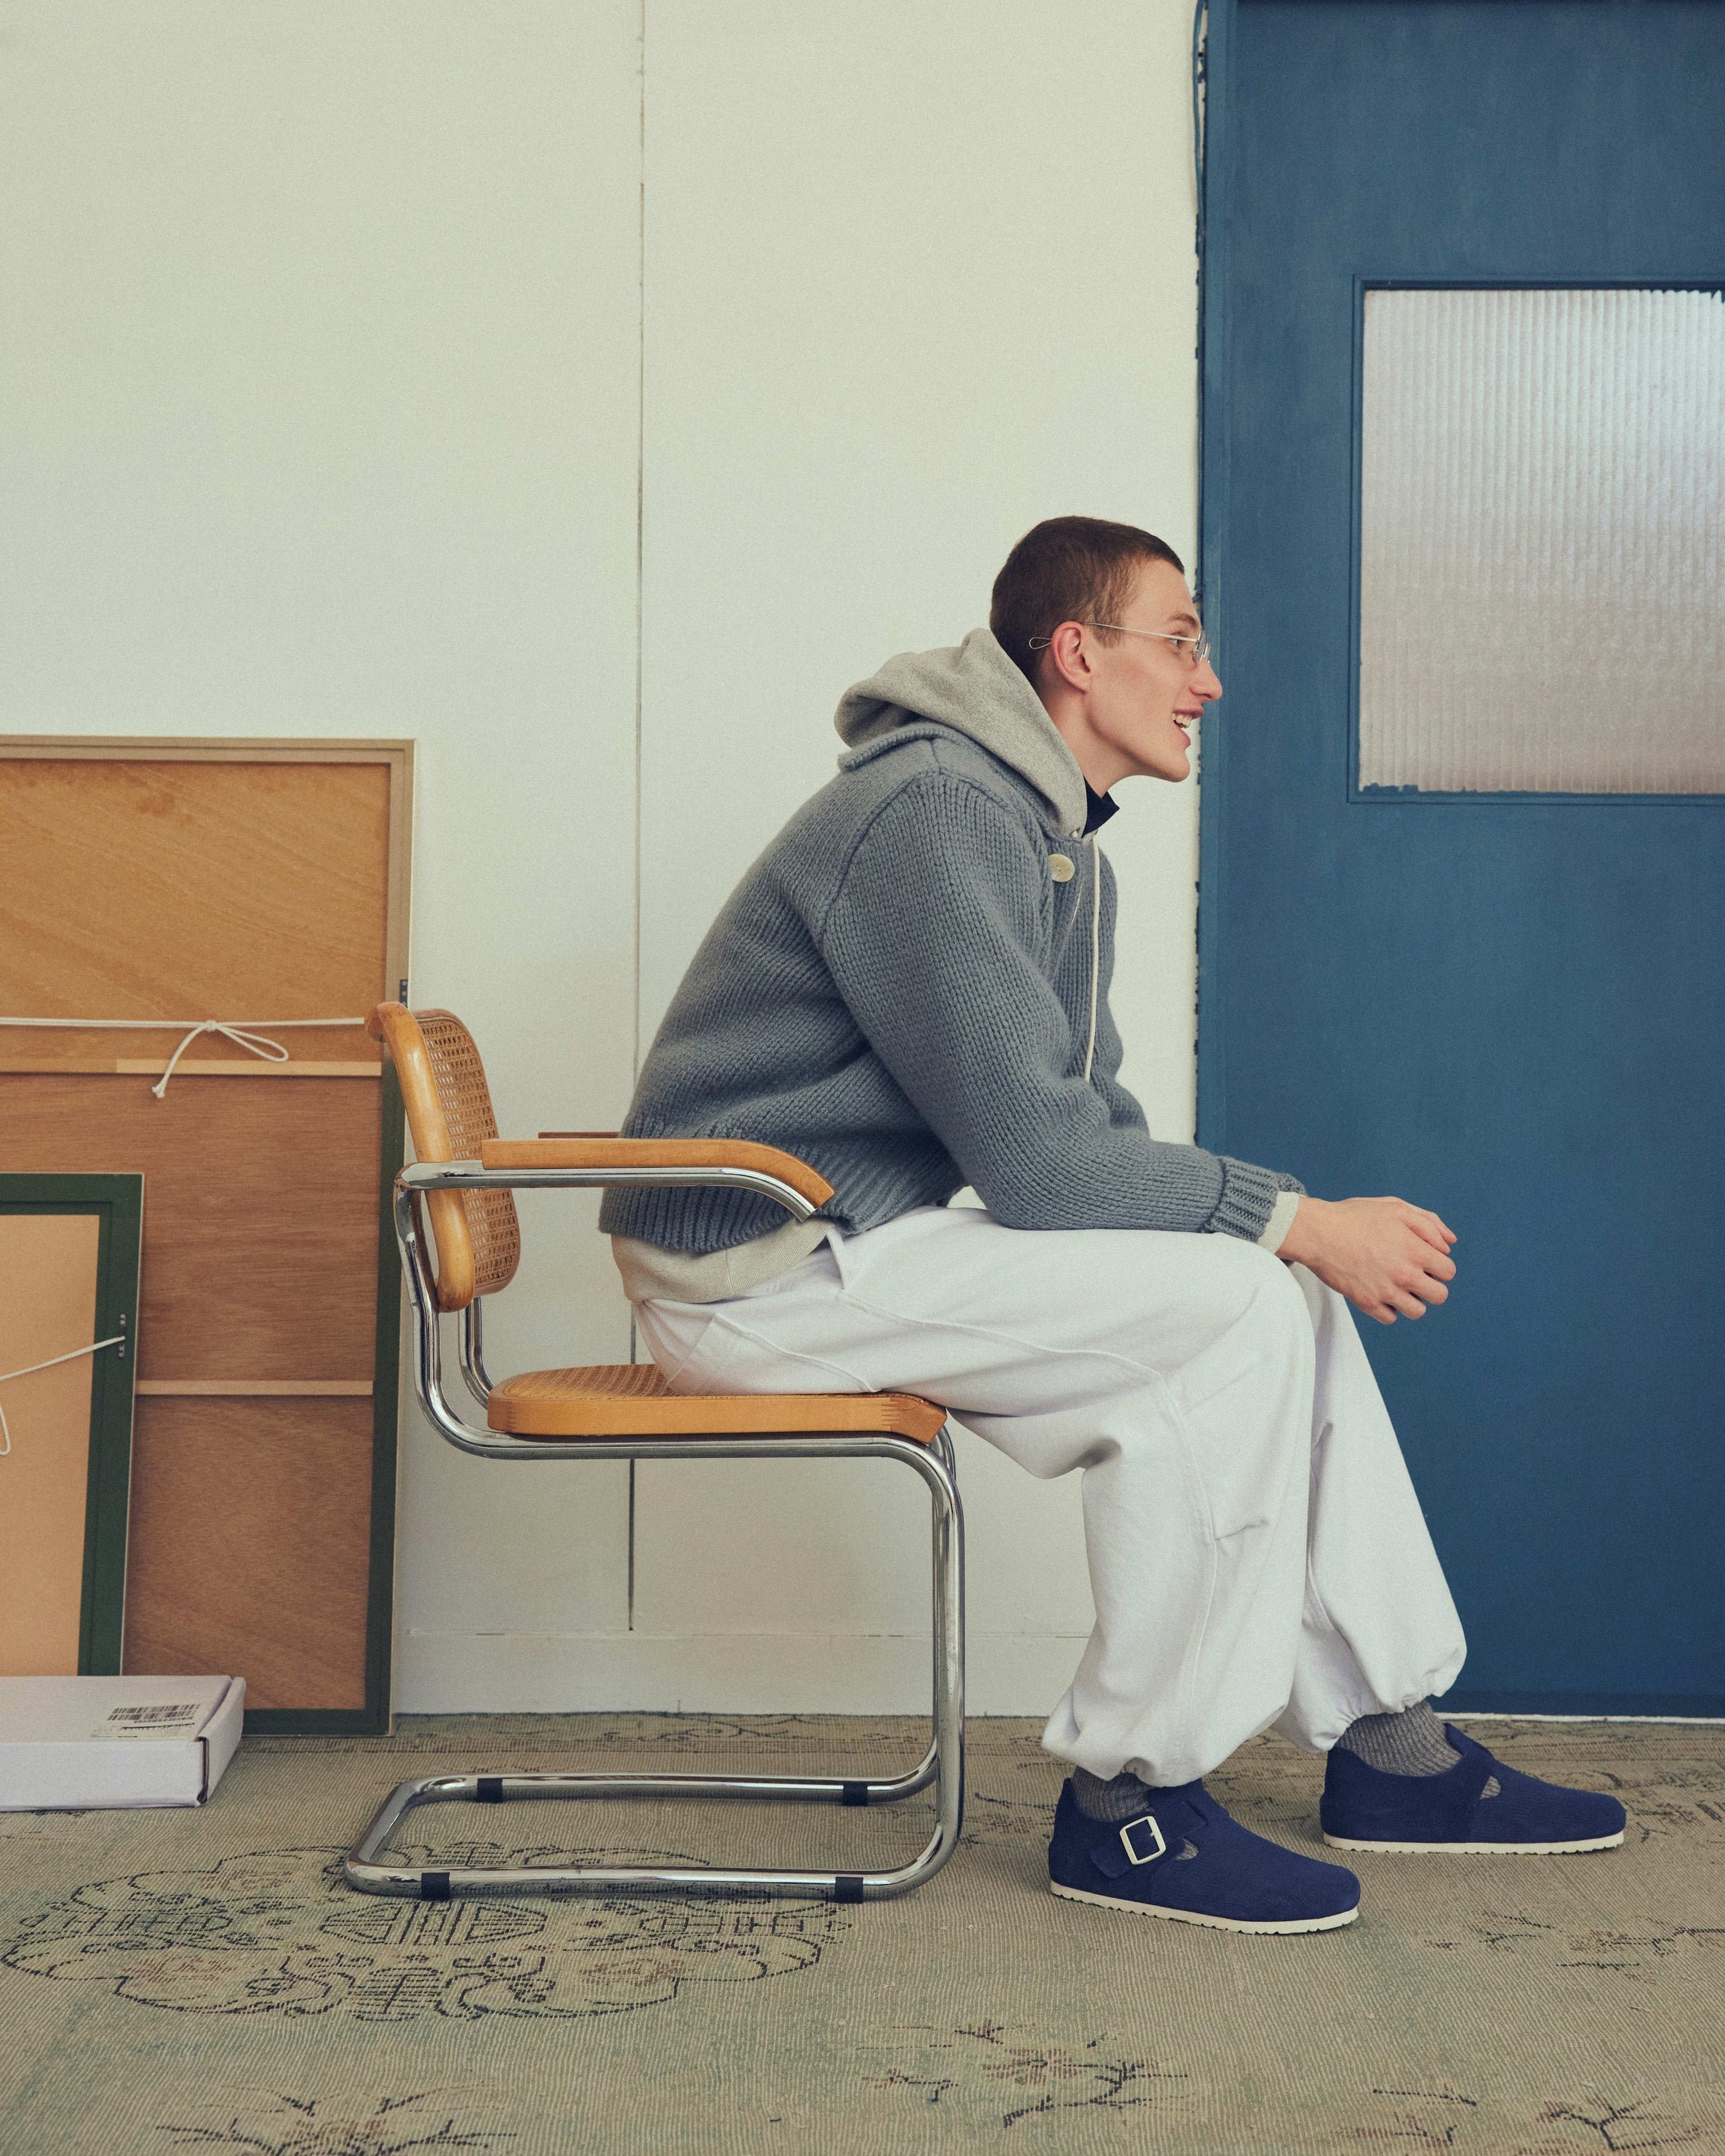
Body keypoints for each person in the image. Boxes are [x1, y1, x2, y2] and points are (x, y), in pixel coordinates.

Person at [601, 515, 1625, 1934]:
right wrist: (1296, 1218)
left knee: (1270, 1288)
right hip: (755, 1268)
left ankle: (1390, 1745)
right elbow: (1041, 1168)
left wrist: (1267, 1236)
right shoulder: (939, 812)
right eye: (1181, 640)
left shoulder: (1050, 835)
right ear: (1078, 653)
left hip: (847, 1235)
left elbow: (1090, 1136)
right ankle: (1132, 1806)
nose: (1208, 680)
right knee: (1250, 1296)